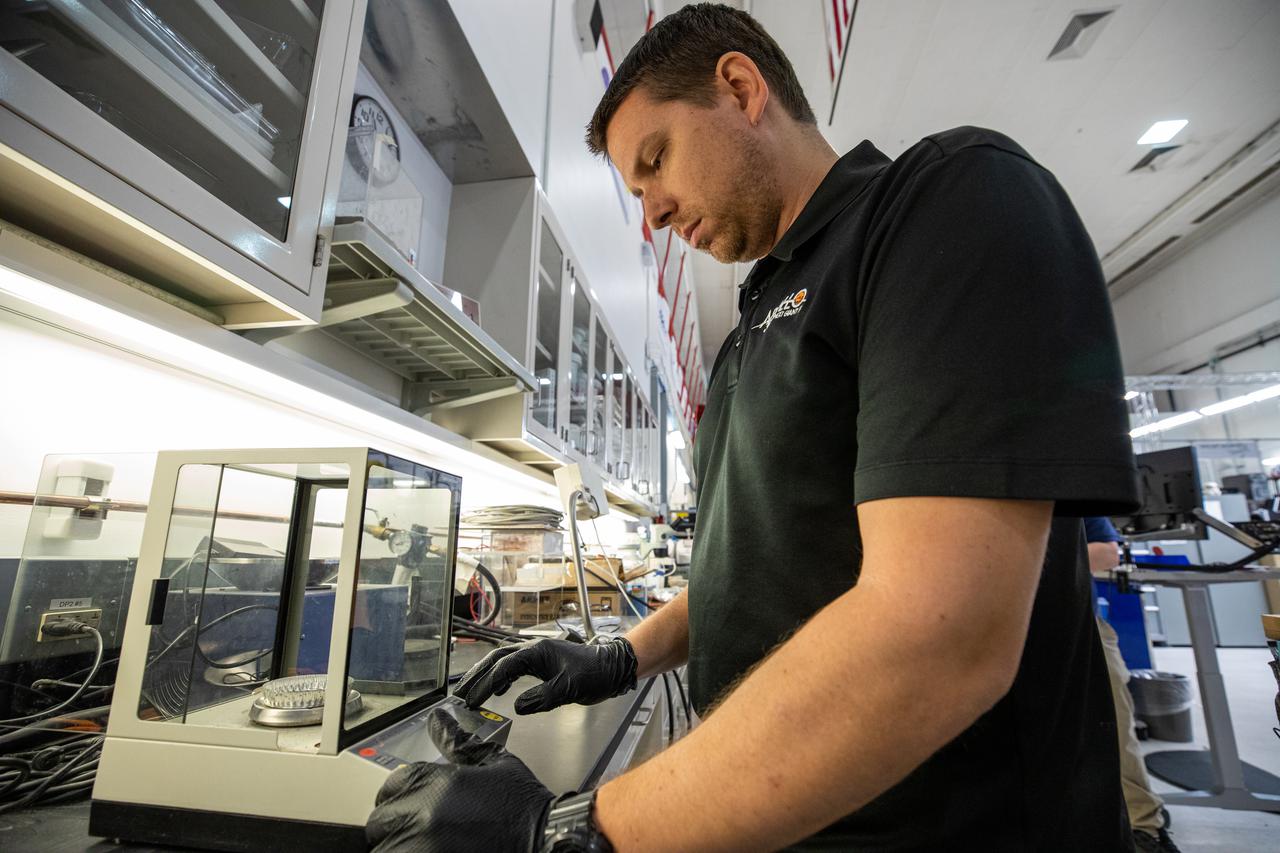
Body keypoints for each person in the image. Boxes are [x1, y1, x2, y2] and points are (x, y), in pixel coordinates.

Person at [365, 5, 1139, 850]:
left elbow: (939, 633)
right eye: (636, 194)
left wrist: (566, 831)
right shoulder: (749, 332)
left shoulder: (941, 204)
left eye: (656, 160)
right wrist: (624, 654)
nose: (654, 214)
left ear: (740, 87)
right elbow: (767, 567)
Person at [1086, 517, 1181, 853]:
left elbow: (1106, 554)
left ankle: (1144, 827)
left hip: (1076, 620)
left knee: (1112, 718)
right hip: (987, 621)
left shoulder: (1063, 482)